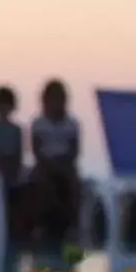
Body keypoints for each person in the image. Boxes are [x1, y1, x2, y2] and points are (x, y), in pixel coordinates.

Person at [29, 79, 83, 245]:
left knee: (73, 182)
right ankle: (41, 224)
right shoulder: (38, 124)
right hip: (45, 164)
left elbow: (75, 150)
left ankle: (73, 225)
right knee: (42, 182)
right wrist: (49, 164)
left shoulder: (72, 124)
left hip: (66, 163)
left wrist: (63, 162)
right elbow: (36, 150)